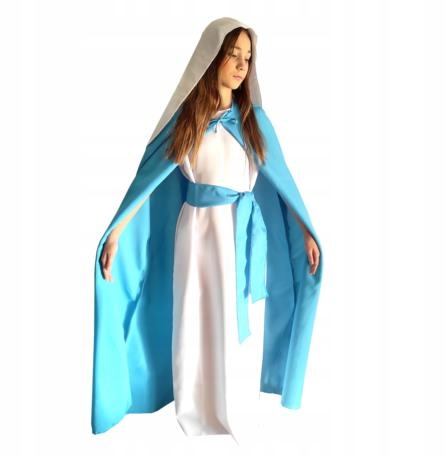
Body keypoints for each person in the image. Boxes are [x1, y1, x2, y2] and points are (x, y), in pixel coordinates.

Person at [92, 17, 323, 445]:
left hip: (239, 233)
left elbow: (282, 180)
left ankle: (236, 409)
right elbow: (149, 179)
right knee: (194, 314)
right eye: (233, 55)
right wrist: (118, 230)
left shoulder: (253, 121)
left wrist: (306, 231)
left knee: (235, 320)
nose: (241, 65)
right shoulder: (187, 120)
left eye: (247, 57)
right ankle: (195, 410)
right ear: (212, 58)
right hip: (196, 232)